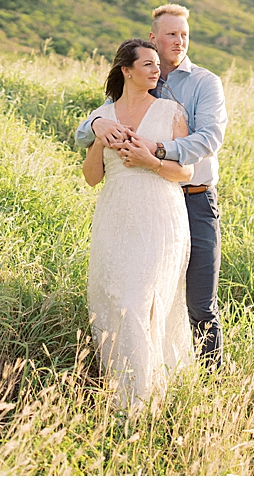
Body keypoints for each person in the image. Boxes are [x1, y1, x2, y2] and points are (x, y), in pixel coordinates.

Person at [75, 4, 229, 367]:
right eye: (172, 34)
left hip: (193, 199)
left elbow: (209, 139)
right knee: (140, 295)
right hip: (136, 205)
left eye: (185, 35)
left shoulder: (204, 82)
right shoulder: (141, 77)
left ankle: (211, 386)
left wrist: (156, 151)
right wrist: (97, 126)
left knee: (198, 302)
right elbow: (89, 128)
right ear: (153, 38)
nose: (179, 41)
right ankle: (135, 372)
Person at [81, 38, 194, 411]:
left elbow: (186, 171)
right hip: (115, 217)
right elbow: (91, 178)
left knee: (139, 302)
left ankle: (142, 402)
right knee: (114, 302)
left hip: (159, 216)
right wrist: (99, 136)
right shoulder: (103, 114)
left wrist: (151, 162)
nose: (156, 69)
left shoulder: (170, 111)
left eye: (156, 64)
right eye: (147, 64)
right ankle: (122, 394)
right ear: (126, 71)